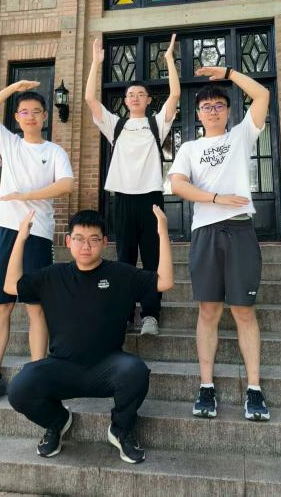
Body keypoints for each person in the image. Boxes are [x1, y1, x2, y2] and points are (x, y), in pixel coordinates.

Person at [5, 205, 174, 463]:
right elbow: (10, 285)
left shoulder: (120, 274)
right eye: (79, 239)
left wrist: (162, 233)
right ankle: (57, 421)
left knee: (135, 371)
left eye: (94, 239)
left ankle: (120, 429)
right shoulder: (53, 276)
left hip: (106, 367)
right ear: (68, 242)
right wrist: (21, 238)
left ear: (105, 242)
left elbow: (165, 282)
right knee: (19, 388)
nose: (86, 246)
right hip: (62, 367)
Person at [168, 65, 271, 422]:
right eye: (206, 106)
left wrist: (228, 72)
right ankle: (206, 386)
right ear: (197, 114)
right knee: (208, 310)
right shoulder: (190, 148)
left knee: (243, 311)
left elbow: (262, 95)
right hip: (206, 232)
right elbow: (177, 184)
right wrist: (215, 198)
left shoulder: (241, 136)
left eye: (218, 105)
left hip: (240, 230)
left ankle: (254, 389)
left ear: (228, 111)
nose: (212, 110)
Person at [0, 81, 74, 405]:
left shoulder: (54, 152)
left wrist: (27, 195)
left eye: (36, 112)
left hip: (38, 234)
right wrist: (13, 87)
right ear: (17, 117)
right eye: (24, 112)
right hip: (6, 231)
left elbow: (66, 185)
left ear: (45, 117)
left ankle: (38, 375)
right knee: (2, 305)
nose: (30, 116)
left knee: (35, 307)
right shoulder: (9, 143)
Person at [85, 34, 180, 335]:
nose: (135, 97)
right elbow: (90, 100)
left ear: (149, 100)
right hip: (123, 198)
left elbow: (175, 95)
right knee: (124, 260)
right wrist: (96, 62)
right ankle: (125, 314)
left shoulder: (156, 124)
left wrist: (169, 60)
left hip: (151, 199)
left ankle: (151, 314)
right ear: (125, 101)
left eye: (141, 94)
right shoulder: (116, 125)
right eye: (130, 94)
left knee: (152, 260)